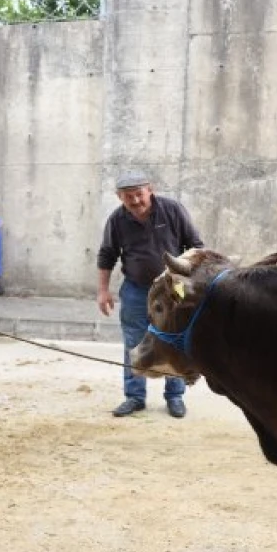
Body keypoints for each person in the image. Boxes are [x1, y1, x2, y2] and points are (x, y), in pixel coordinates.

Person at [97, 171, 204, 418]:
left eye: (139, 194)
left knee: (174, 338)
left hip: (171, 289)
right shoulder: (117, 219)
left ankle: (175, 396)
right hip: (135, 289)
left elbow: (196, 246)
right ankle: (134, 397)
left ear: (150, 190)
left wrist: (191, 284)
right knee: (134, 341)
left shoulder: (172, 210)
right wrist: (103, 291)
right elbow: (107, 255)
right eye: (128, 196)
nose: (135, 200)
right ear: (119, 197)